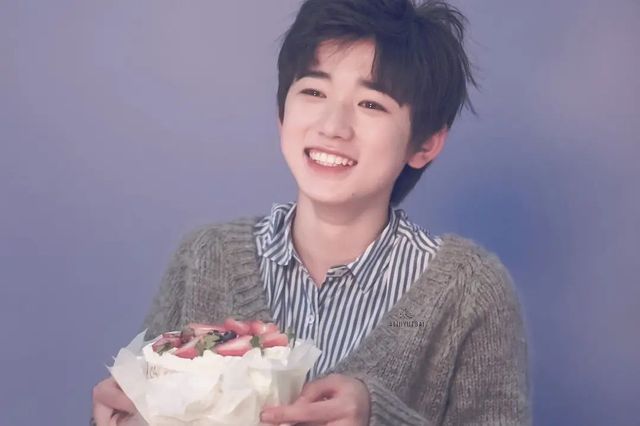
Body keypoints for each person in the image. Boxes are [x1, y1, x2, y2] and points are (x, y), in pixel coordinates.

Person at [92, 0, 531, 424]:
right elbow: (138, 407)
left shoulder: (468, 292)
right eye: (314, 91)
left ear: (426, 143)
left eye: (371, 104)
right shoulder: (206, 257)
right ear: (282, 113)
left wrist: (379, 418)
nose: (332, 126)